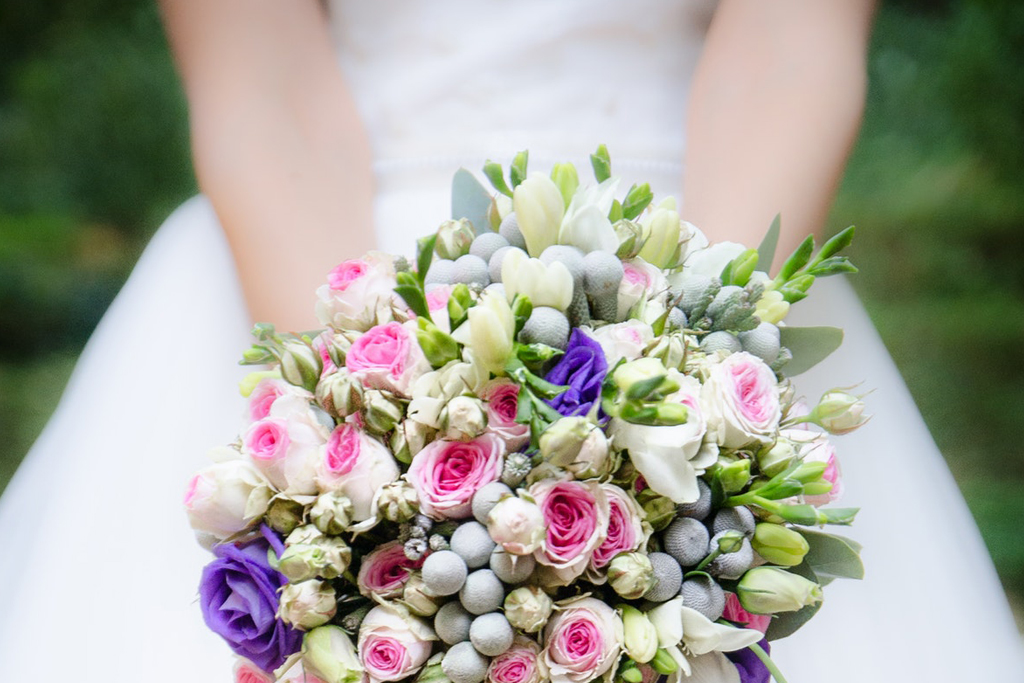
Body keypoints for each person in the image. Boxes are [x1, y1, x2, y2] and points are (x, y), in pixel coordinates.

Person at [0, 0, 1020, 680]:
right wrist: (364, 450)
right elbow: (261, 87)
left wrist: (694, 383)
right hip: (326, 259)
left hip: (693, 251)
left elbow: (786, 53)